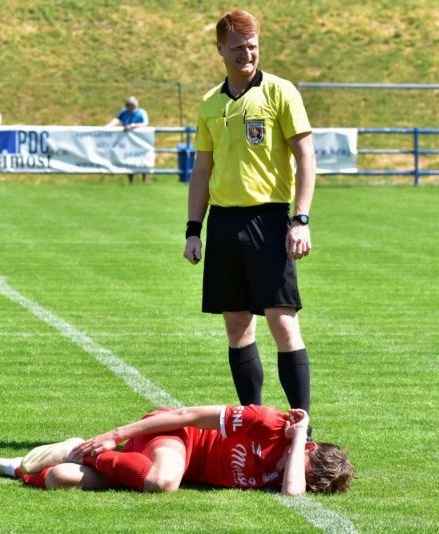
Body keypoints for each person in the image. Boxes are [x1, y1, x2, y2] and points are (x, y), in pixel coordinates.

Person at [182, 11, 317, 429]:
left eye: (253, 44)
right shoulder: (209, 103)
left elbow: (306, 156)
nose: (248, 53)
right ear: (220, 49)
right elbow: (202, 172)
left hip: (270, 218)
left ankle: (302, 425)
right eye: (238, 47)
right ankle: (255, 421)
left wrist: (301, 219)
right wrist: (193, 230)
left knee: (281, 321)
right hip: (223, 223)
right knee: (238, 327)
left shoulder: (280, 92)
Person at [0, 404, 353, 495]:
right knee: (164, 481)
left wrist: (298, 452)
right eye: (303, 466)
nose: (295, 474)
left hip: (160, 464)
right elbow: (187, 414)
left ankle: (9, 468)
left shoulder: (289, 473)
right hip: (176, 437)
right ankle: (84, 447)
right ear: (311, 445)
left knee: (63, 478)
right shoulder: (269, 423)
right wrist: (116, 434)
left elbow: (293, 492)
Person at [105, 96, 149, 184]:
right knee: (129, 159)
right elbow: (117, 119)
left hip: (141, 140)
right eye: (131, 107)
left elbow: (145, 123)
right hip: (128, 140)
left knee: (143, 159)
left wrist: (133, 125)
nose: (133, 109)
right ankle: (131, 181)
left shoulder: (142, 112)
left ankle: (145, 181)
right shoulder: (124, 112)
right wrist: (107, 126)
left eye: (134, 107)